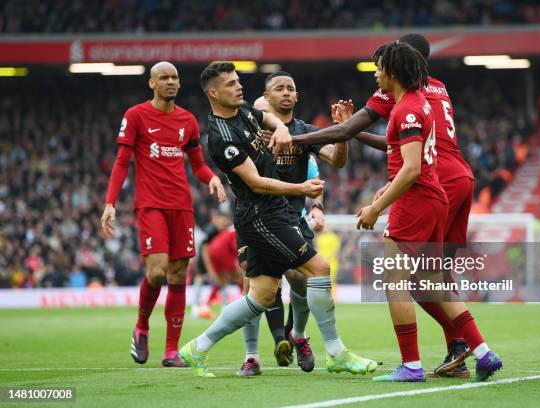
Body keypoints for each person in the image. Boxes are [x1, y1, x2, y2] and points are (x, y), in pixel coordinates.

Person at [179, 61, 377, 378]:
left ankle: (197, 348)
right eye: (230, 83)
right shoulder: (221, 136)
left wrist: (281, 127)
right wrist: (301, 187)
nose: (238, 86)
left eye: (238, 80)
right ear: (214, 93)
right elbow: (256, 183)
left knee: (261, 294)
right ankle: (335, 352)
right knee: (319, 268)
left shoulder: (243, 112)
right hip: (262, 213)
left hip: (273, 213)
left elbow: (265, 116)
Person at [353, 41, 502, 382]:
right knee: (434, 282)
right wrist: (386, 190)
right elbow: (415, 159)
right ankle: (482, 351)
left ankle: (411, 366)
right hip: (436, 195)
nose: (375, 74)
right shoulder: (423, 101)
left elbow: (411, 168)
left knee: (395, 281)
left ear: (392, 72)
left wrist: (378, 206)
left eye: (379, 68)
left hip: (418, 198)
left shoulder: (405, 108)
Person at [100, 61, 226, 367]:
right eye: (163, 77)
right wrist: (110, 202)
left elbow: (196, 164)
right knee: (157, 272)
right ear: (152, 83)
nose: (170, 82)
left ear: (179, 84)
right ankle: (142, 327)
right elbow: (121, 161)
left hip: (181, 207)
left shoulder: (188, 121)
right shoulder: (136, 116)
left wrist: (210, 177)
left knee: (179, 274)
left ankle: (171, 351)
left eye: (174, 78)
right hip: (151, 204)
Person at [236, 72, 348, 376]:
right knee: (253, 285)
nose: (286, 93)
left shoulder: (305, 132)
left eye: (291, 89)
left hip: (291, 221)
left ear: (296, 97)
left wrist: (342, 131)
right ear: (266, 97)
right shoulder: (249, 132)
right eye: (279, 89)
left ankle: (297, 334)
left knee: (303, 279)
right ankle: (251, 356)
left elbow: (335, 161)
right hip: (255, 218)